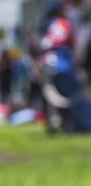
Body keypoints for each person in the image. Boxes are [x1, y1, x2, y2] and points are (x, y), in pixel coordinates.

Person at [40, 1, 91, 132]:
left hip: (46, 63)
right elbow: (77, 49)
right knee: (76, 100)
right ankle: (86, 127)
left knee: (57, 103)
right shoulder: (65, 23)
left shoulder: (50, 25)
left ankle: (64, 127)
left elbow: (44, 45)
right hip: (62, 64)